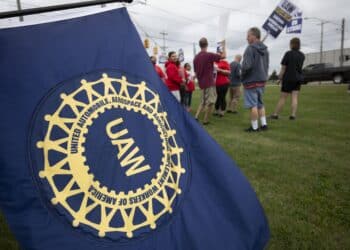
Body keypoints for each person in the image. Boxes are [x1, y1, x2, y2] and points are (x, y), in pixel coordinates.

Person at [241, 27, 269, 132]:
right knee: (260, 104)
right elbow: (267, 65)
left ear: (254, 36)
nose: (246, 38)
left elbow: (246, 66)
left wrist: (242, 75)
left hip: (251, 81)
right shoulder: (265, 49)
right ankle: (264, 124)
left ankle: (254, 127)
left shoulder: (250, 48)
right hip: (261, 80)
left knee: (253, 105)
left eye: (248, 36)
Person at [270, 38, 305, 120]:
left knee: (283, 97)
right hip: (298, 79)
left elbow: (283, 68)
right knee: (295, 97)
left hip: (288, 78)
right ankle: (293, 115)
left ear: (292, 44)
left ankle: (275, 115)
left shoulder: (288, 54)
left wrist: (279, 78)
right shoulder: (302, 55)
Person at [193, 37, 226, 125]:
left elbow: (196, 71)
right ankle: (206, 120)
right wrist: (224, 45)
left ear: (200, 45)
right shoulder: (208, 55)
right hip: (209, 82)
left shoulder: (196, 58)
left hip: (201, 83)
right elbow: (223, 56)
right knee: (211, 101)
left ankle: (196, 117)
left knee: (203, 101)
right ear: (207, 45)